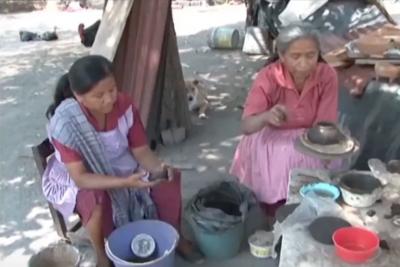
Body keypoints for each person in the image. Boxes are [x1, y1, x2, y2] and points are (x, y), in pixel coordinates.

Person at [42, 55, 203, 267]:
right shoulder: (65, 125)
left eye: (112, 90)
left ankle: (176, 237)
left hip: (124, 167)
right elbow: (81, 179)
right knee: (94, 196)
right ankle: (102, 256)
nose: (109, 99)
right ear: (79, 97)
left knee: (168, 178)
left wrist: (158, 168)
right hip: (82, 177)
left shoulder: (125, 105)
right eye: (99, 95)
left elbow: (141, 151)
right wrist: (125, 183)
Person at [230, 23, 339, 219]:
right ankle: (275, 211)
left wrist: (325, 150)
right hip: (270, 135)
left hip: (311, 135)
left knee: (318, 156)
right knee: (284, 154)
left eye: (310, 55)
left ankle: (309, 208)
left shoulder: (327, 75)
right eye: (295, 56)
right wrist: (266, 116)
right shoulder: (268, 76)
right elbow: (246, 126)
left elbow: (325, 124)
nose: (304, 64)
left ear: (318, 54)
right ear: (281, 56)